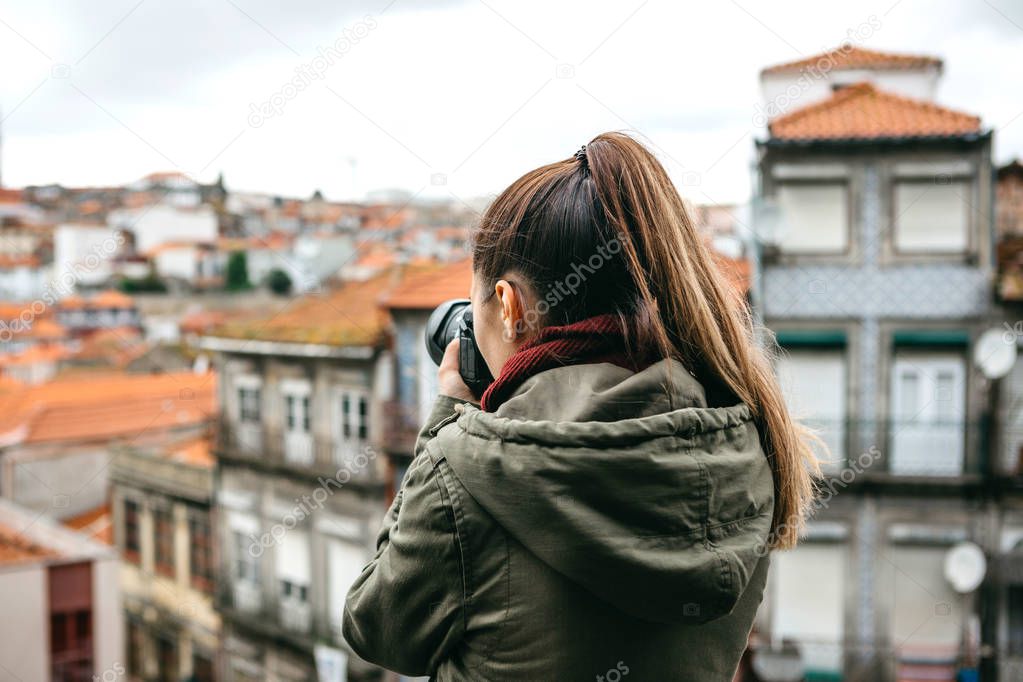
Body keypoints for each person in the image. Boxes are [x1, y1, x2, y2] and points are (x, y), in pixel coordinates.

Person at [343, 132, 819, 681]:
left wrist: (447, 422)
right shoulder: (745, 445)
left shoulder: (470, 474)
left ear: (508, 304)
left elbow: (375, 629)